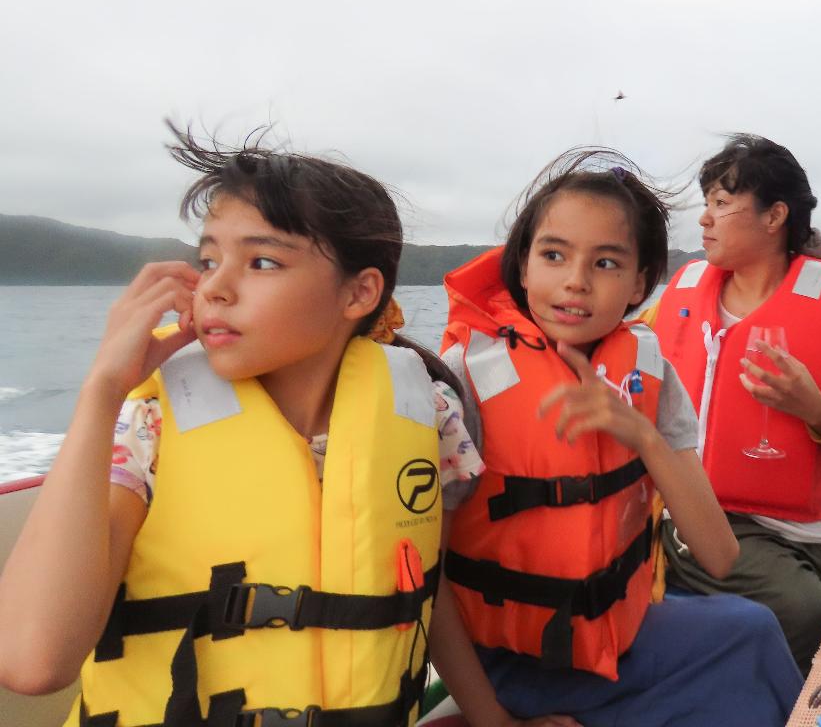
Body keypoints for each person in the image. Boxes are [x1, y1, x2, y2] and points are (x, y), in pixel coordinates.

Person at [0, 125, 554, 727]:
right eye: (207, 259)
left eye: (261, 261)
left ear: (359, 293)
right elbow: (34, 663)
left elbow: (423, 591)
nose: (214, 287)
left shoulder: (430, 415)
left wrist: (493, 721)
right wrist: (102, 392)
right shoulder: (152, 421)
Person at [437, 149, 805, 726]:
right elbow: (425, 583)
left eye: (606, 263)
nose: (576, 282)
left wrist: (644, 437)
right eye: (554, 255)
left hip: (615, 637)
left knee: (752, 630)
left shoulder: (649, 370)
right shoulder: (466, 378)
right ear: (524, 267)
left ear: (639, 283)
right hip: (509, 660)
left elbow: (719, 554)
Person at [643, 134, 821, 675]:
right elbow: (614, 356)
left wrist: (816, 409)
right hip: (711, 513)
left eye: (720, 204)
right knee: (812, 614)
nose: (705, 221)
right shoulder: (676, 301)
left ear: (775, 215)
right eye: (706, 204)